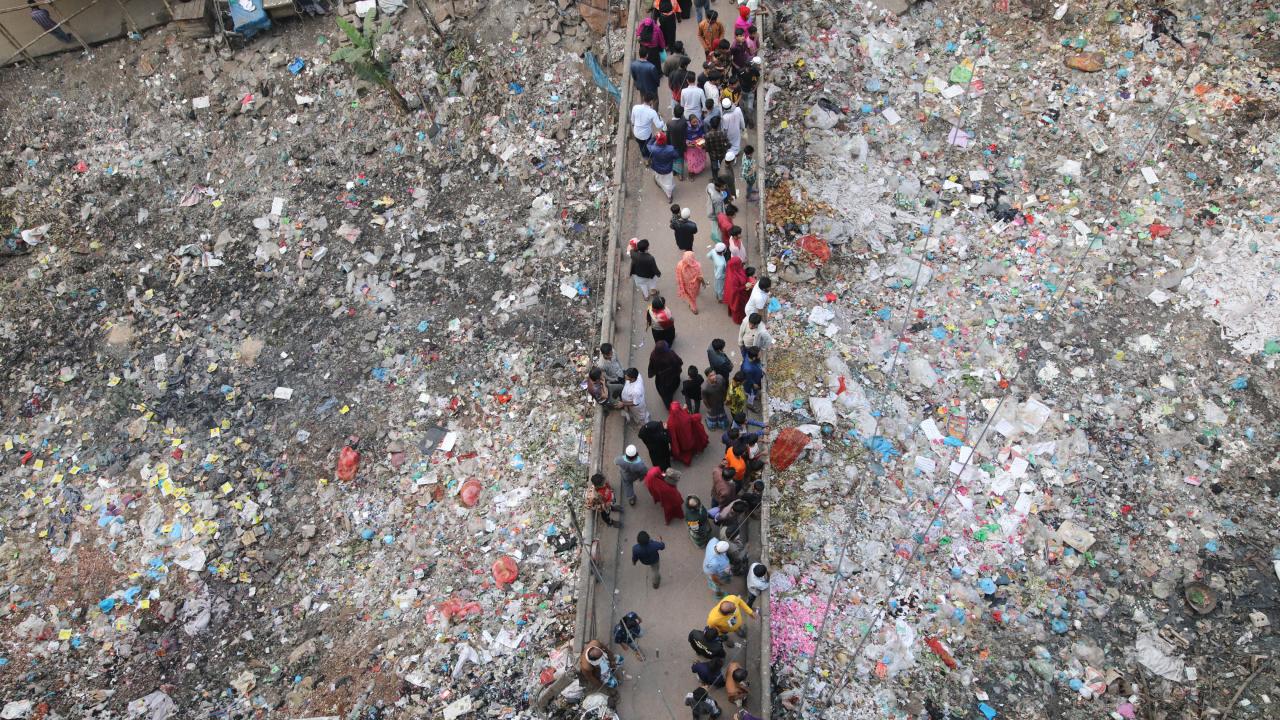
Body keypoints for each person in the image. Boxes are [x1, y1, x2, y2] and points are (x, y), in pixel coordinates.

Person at [668, 400, 709, 465]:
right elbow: (691, 418)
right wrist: (685, 409)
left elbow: (673, 437)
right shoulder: (685, 418)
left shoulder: (670, 422)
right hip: (689, 438)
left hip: (681, 441)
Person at [648, 339, 683, 407]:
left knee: (665, 392)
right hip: (672, 376)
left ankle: (668, 405)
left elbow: (651, 367)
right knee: (672, 386)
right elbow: (679, 362)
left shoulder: (653, 355)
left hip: (661, 378)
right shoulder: (670, 354)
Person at [631, 94, 666, 162]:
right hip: (646, 135)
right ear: (651, 101)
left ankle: (644, 155)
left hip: (636, 132)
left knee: (641, 145)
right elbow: (658, 125)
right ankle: (649, 156)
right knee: (648, 146)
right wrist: (662, 120)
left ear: (643, 98)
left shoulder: (635, 107)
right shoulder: (652, 112)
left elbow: (632, 120)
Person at [648, 132, 681, 202]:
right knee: (668, 184)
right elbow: (677, 155)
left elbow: (648, 144)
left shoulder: (653, 149)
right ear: (665, 140)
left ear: (657, 141)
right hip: (667, 170)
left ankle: (659, 184)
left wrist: (654, 137)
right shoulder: (670, 149)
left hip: (657, 168)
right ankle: (669, 197)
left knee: (659, 178)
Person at [675, 250, 706, 315]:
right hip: (695, 284)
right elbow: (700, 277)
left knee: (690, 297)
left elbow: (678, 275)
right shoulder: (696, 265)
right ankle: (694, 305)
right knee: (694, 294)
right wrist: (703, 283)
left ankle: (693, 308)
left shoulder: (680, 265)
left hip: (686, 284)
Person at [723, 256, 749, 324]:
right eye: (739, 263)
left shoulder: (732, 270)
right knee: (738, 308)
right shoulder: (733, 278)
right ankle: (738, 320)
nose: (741, 264)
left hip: (738, 292)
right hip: (737, 296)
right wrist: (745, 286)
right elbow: (735, 289)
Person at [668, 105, 689, 179]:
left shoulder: (669, 123)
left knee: (673, 158)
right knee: (680, 159)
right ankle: (680, 175)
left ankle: (674, 171)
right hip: (681, 145)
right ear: (682, 114)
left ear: (674, 113)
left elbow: (666, 134)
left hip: (672, 145)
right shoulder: (684, 122)